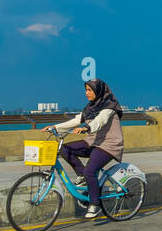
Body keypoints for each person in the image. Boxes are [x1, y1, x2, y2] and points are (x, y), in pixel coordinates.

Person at [53, 79, 125, 218]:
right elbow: (76, 120)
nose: (86, 93)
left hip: (109, 145)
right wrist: (55, 127)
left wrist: (87, 127)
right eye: (85, 90)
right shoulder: (90, 108)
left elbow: (100, 120)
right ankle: (82, 175)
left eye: (89, 90)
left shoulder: (109, 106)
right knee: (65, 149)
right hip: (93, 141)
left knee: (91, 171)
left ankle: (94, 203)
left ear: (98, 91)